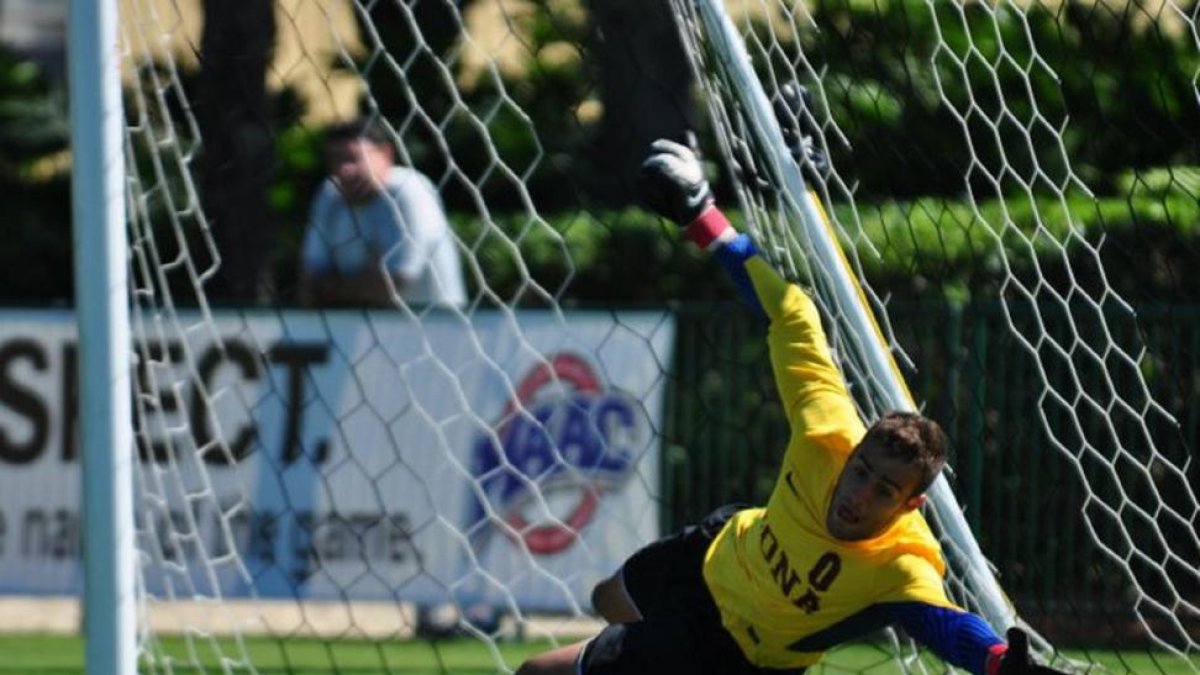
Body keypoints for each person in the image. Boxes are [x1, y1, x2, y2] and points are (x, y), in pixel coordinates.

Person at [515, 139, 1067, 675]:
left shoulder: (901, 566)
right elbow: (793, 314)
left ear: (911, 505)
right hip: (713, 557)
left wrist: (998, 663)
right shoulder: (826, 432)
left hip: (738, 655)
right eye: (862, 472)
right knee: (605, 597)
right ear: (851, 454)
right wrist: (701, 218)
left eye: (883, 491)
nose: (858, 495)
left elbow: (948, 627)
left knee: (537, 671)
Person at [298, 118, 468, 309]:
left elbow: (395, 281)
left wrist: (331, 287)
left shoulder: (408, 190)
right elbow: (309, 281)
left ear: (386, 155)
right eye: (336, 159)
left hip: (435, 330)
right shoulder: (330, 194)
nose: (344, 169)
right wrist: (366, 280)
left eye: (354, 158)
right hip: (354, 329)